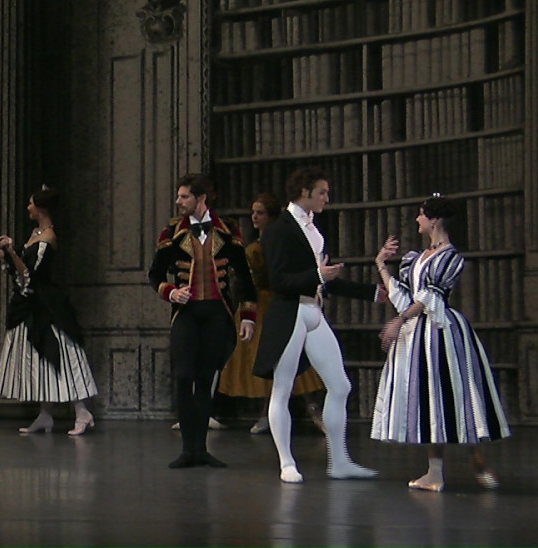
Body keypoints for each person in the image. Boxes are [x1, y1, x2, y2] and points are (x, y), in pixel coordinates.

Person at [251, 166, 384, 483]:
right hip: (291, 312)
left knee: (340, 385)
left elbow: (324, 280)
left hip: (313, 311)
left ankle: (339, 461)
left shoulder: (313, 229)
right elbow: (280, 281)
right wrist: (318, 275)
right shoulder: (279, 229)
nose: (326, 197)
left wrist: (370, 292)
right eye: (322, 192)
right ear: (304, 192)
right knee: (282, 389)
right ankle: (286, 463)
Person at [371, 194, 509, 491]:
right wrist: (381, 264)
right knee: (430, 399)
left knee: (455, 394)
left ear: (434, 220)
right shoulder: (416, 258)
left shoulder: (450, 257)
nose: (417, 219)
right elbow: (404, 297)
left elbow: (428, 298)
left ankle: (477, 460)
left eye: (421, 214)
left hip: (441, 330)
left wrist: (400, 321)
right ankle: (434, 472)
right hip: (419, 335)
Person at [0, 187, 98, 436]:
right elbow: (14, 260)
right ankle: (45, 415)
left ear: (41, 209)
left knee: (62, 355)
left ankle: (82, 411)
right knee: (40, 359)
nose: (28, 208)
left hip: (46, 305)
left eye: (31, 204)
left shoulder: (48, 237)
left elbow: (29, 273)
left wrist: (12, 251)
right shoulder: (36, 233)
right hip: (31, 304)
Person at [148, 174, 256, 468]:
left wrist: (248, 317)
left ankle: (201, 449)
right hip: (186, 313)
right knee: (184, 376)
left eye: (184, 196)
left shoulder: (228, 231)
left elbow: (244, 276)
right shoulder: (172, 232)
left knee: (205, 379)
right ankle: (188, 449)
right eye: (179, 196)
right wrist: (171, 292)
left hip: (217, 313)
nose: (178, 201)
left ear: (201, 198)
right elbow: (154, 274)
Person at [217, 192, 327, 435]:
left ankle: (312, 411)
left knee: (287, 355)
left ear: (272, 216)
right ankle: (267, 412)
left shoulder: (276, 243)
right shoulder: (257, 245)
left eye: (260, 213)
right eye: (253, 212)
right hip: (257, 303)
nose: (254, 217)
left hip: (277, 301)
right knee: (260, 357)